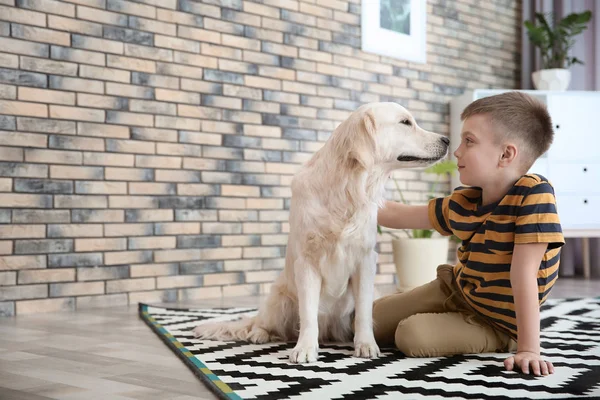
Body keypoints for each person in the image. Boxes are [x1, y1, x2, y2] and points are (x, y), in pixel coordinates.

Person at [375, 91, 564, 376]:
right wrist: (350, 188)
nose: (457, 151)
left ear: (505, 154)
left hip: (496, 321)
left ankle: (501, 339)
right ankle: (448, 318)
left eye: (469, 141)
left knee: (410, 335)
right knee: (370, 319)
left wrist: (528, 349)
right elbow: (396, 215)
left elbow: (523, 274)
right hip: (456, 289)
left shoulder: (535, 195)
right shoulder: (465, 201)